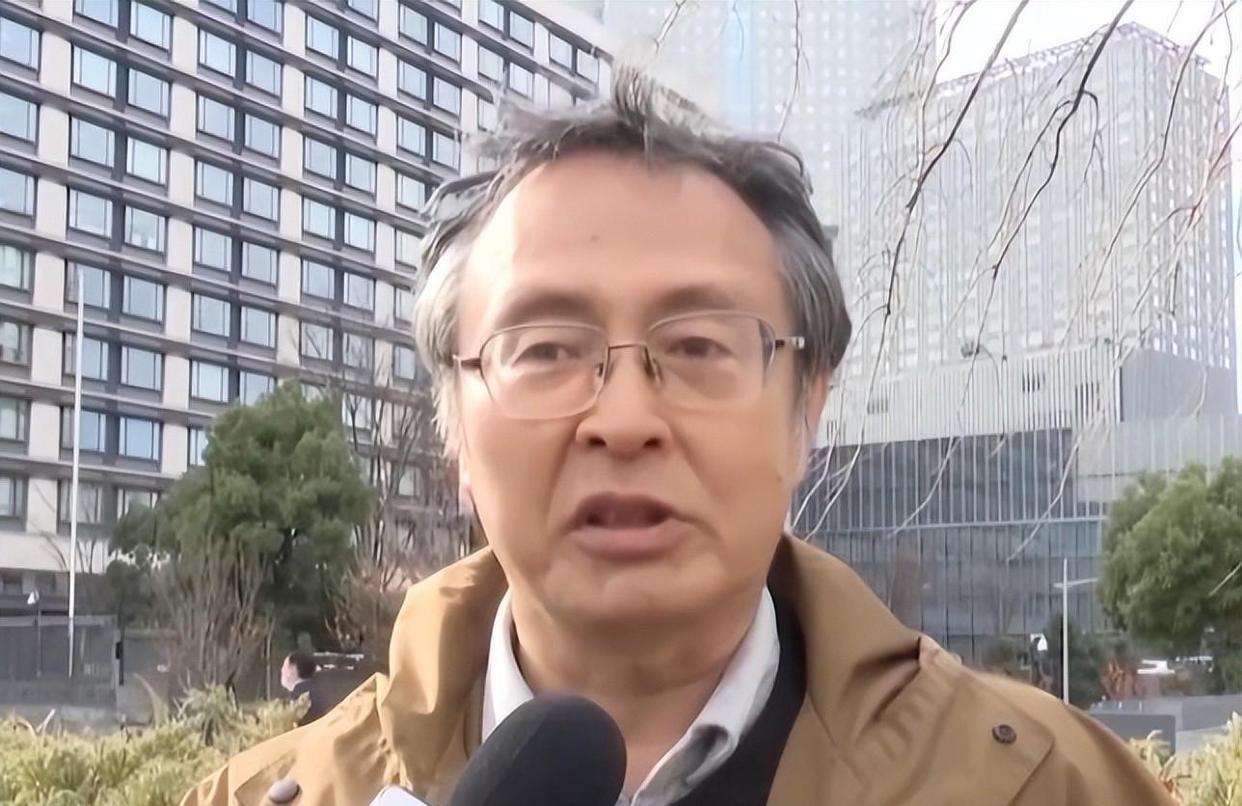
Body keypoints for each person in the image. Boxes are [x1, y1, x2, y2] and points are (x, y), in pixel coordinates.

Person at [181, 71, 1173, 806]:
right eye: (546, 349)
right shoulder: (271, 796)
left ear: (807, 408)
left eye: (698, 346)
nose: (623, 421)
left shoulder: (1051, 784)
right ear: (458, 435)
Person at [280, 651, 326, 727]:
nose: (282, 670)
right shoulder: (318, 694)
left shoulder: (297, 701)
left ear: (293, 669)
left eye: (284, 666)